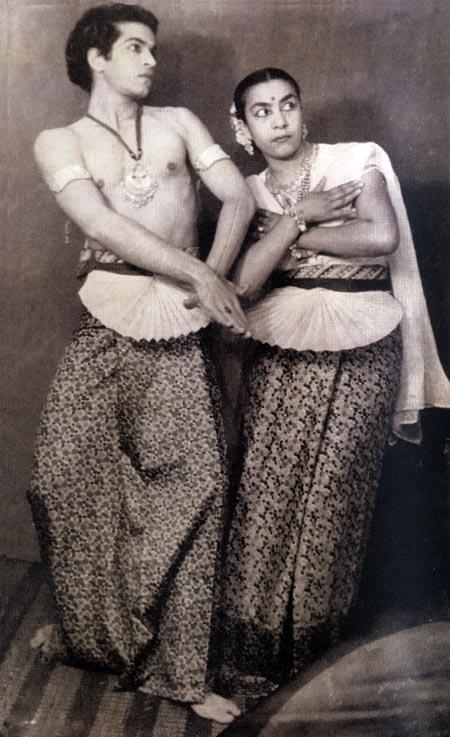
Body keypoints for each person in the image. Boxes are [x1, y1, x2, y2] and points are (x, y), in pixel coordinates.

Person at [27, 3, 255, 724]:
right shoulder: (58, 139)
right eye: (134, 47)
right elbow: (99, 223)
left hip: (179, 327)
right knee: (62, 477)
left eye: (152, 48)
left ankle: (181, 673)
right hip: (105, 317)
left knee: (196, 486)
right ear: (96, 58)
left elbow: (238, 195)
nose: (151, 60)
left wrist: (207, 282)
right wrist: (203, 275)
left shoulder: (180, 121)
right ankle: (99, 639)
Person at [219, 67, 450, 696]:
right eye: (263, 111)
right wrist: (302, 220)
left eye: (289, 104)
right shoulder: (245, 190)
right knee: (268, 492)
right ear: (244, 128)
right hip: (283, 342)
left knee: (333, 497)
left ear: (303, 109)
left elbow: (380, 236)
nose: (281, 120)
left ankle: (309, 665)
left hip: (366, 339)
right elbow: (242, 283)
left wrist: (286, 232)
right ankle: (252, 658)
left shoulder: (356, 160)